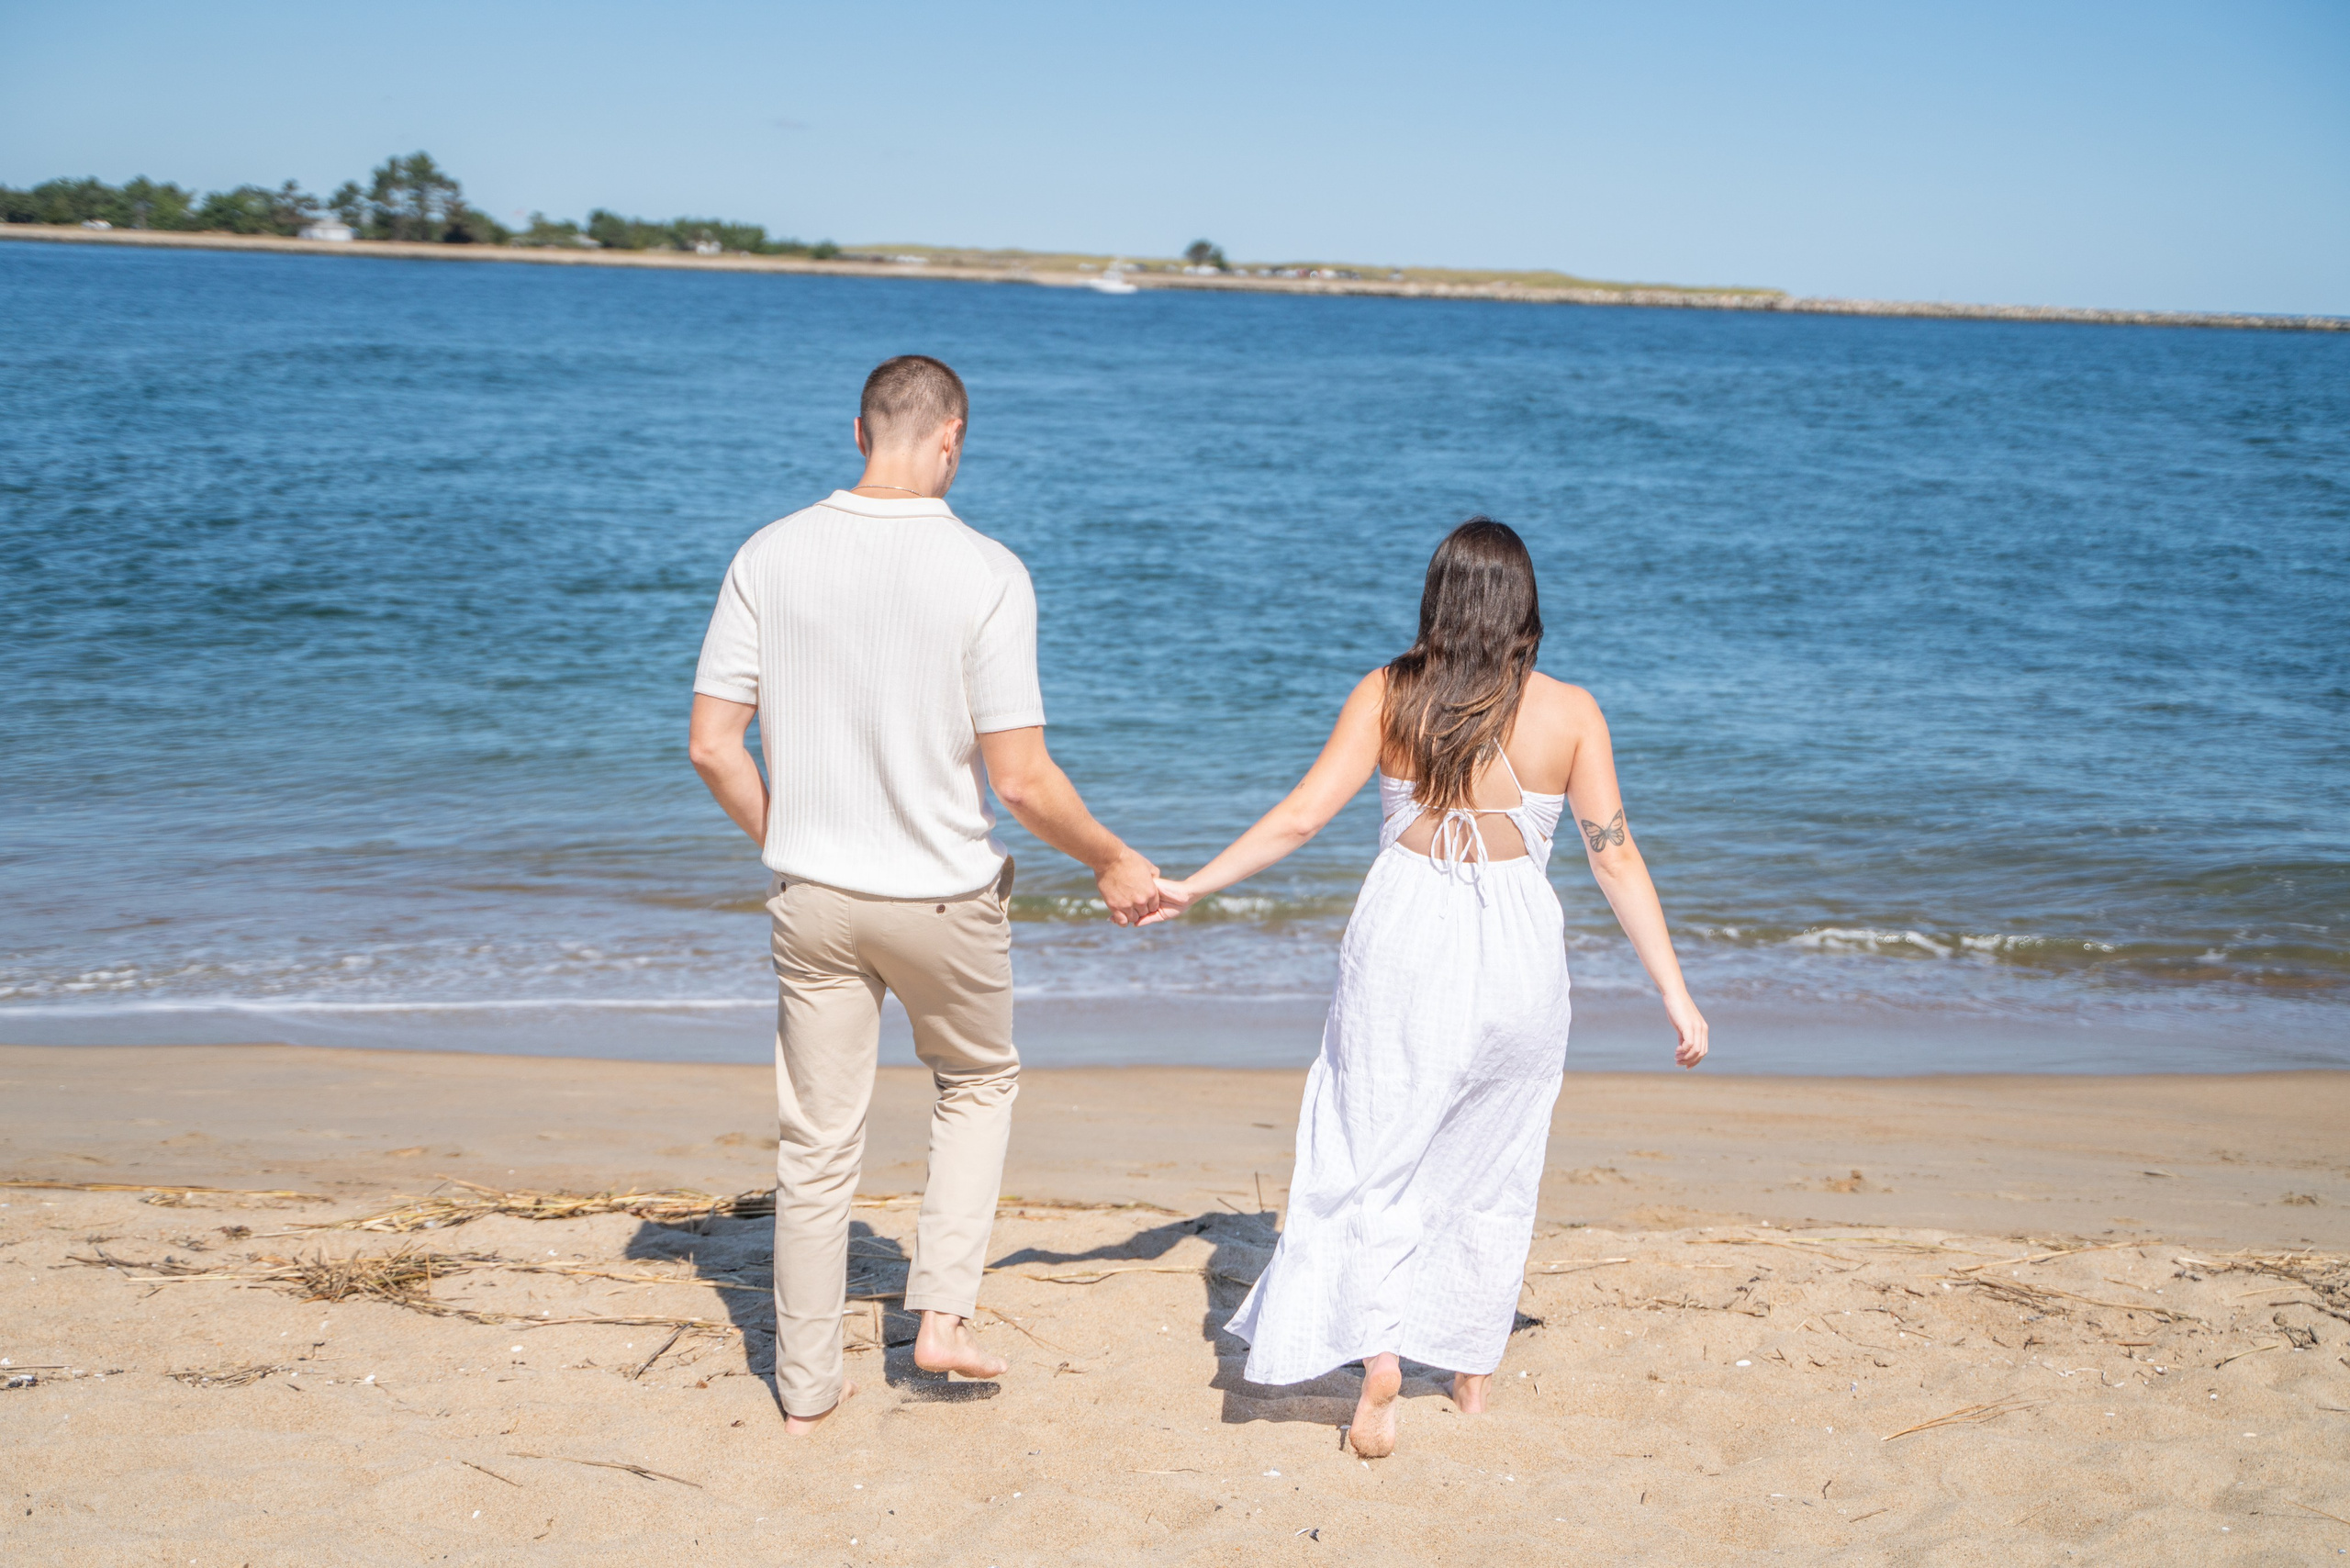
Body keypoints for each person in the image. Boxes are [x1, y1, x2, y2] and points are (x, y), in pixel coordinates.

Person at [1145, 517, 1708, 1458]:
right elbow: (1616, 861)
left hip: (1406, 930)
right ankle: (1471, 1372)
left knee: (1367, 1145)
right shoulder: (1570, 713)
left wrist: (1191, 884)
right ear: (1525, 604)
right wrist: (1675, 993)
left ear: (1437, 598)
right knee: (1493, 1155)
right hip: (1518, 946)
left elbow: (1298, 817)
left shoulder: (1389, 694)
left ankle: (1379, 1351)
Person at [688, 354, 1162, 1434]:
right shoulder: (988, 570)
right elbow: (1022, 778)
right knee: (976, 1084)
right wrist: (1111, 858)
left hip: (812, 894)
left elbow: (713, 747)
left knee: (816, 1144)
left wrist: (793, 837)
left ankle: (805, 1387)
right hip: (943, 899)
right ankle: (938, 1317)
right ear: (951, 439)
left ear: (859, 432)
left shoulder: (770, 552)